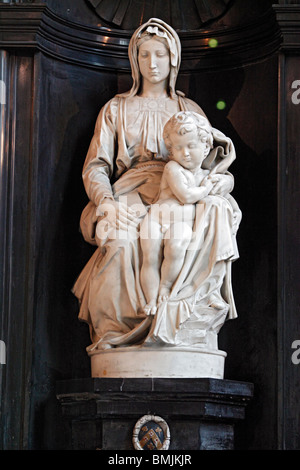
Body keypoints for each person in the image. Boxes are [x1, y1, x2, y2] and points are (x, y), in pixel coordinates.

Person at [72, 18, 238, 351]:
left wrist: (221, 181)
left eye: (160, 54)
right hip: (127, 194)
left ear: (173, 58)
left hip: (178, 196)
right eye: (145, 55)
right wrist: (105, 203)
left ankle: (176, 321)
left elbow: (212, 159)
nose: (152, 63)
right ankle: (115, 334)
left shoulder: (187, 109)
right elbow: (96, 167)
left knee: (201, 226)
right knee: (119, 243)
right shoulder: (116, 109)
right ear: (135, 60)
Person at [140, 111, 216, 315]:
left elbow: (225, 183)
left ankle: (165, 286)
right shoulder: (173, 168)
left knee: (176, 248)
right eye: (178, 148)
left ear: (206, 147)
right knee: (151, 257)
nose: (185, 153)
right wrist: (206, 189)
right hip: (156, 219)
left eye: (191, 146)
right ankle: (150, 300)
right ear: (171, 151)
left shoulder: (206, 175)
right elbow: (185, 196)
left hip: (181, 224)